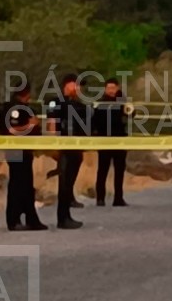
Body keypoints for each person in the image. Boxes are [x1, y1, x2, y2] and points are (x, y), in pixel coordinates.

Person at [0, 83, 47, 231]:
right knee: (17, 186)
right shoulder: (13, 109)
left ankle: (31, 219)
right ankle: (14, 220)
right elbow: (11, 130)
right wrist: (30, 126)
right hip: (16, 151)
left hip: (26, 151)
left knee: (26, 186)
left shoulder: (24, 108)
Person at [47, 74, 87, 229]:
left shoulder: (78, 105)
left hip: (76, 148)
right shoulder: (56, 103)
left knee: (69, 182)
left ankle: (67, 214)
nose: (79, 89)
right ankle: (62, 218)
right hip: (64, 147)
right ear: (67, 85)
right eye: (76, 85)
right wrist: (53, 146)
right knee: (64, 183)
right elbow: (52, 124)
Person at [94, 78, 130, 207]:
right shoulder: (100, 104)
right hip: (104, 140)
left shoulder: (122, 102)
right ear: (105, 89)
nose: (111, 91)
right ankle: (100, 198)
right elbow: (94, 121)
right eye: (108, 88)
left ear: (117, 88)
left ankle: (118, 198)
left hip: (119, 140)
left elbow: (131, 114)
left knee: (119, 170)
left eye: (113, 88)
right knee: (102, 170)